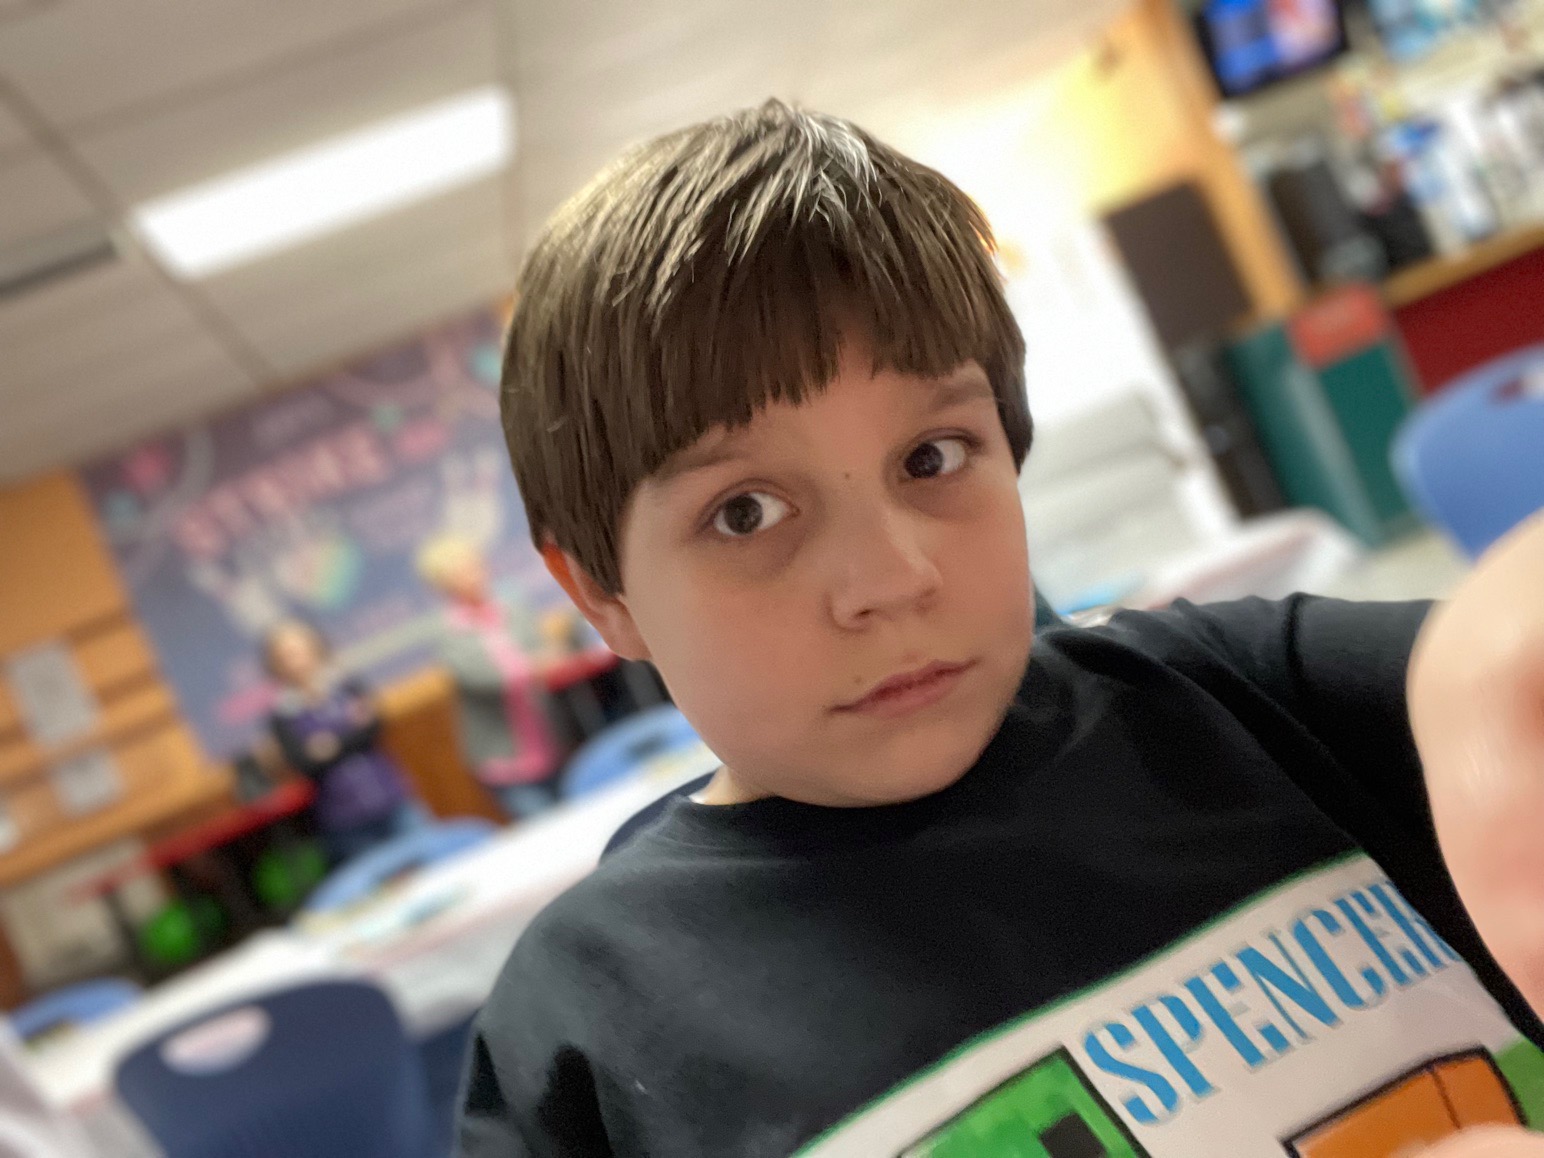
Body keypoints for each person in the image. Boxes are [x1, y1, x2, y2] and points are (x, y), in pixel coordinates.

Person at [454, 100, 1544, 1156]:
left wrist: (1493, 664)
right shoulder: (588, 1024)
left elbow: (1499, 644)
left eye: (930, 458)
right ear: (599, 590)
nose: (891, 579)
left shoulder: (1242, 697)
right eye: (745, 513)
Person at [416, 534, 564, 820]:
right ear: (444, 584)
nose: (473, 576)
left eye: (475, 566)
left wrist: (540, 661)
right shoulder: (448, 631)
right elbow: (485, 679)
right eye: (460, 573)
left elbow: (545, 651)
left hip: (550, 739)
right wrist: (533, 665)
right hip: (502, 759)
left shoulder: (513, 606)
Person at [262, 619, 426, 864]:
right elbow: (304, 763)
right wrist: (348, 731)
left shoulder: (347, 686)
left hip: (391, 797)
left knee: (431, 858)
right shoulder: (282, 715)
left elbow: (373, 728)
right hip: (344, 818)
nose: (296, 662)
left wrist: (328, 745)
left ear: (316, 649)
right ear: (276, 665)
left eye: (300, 652)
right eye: (286, 657)